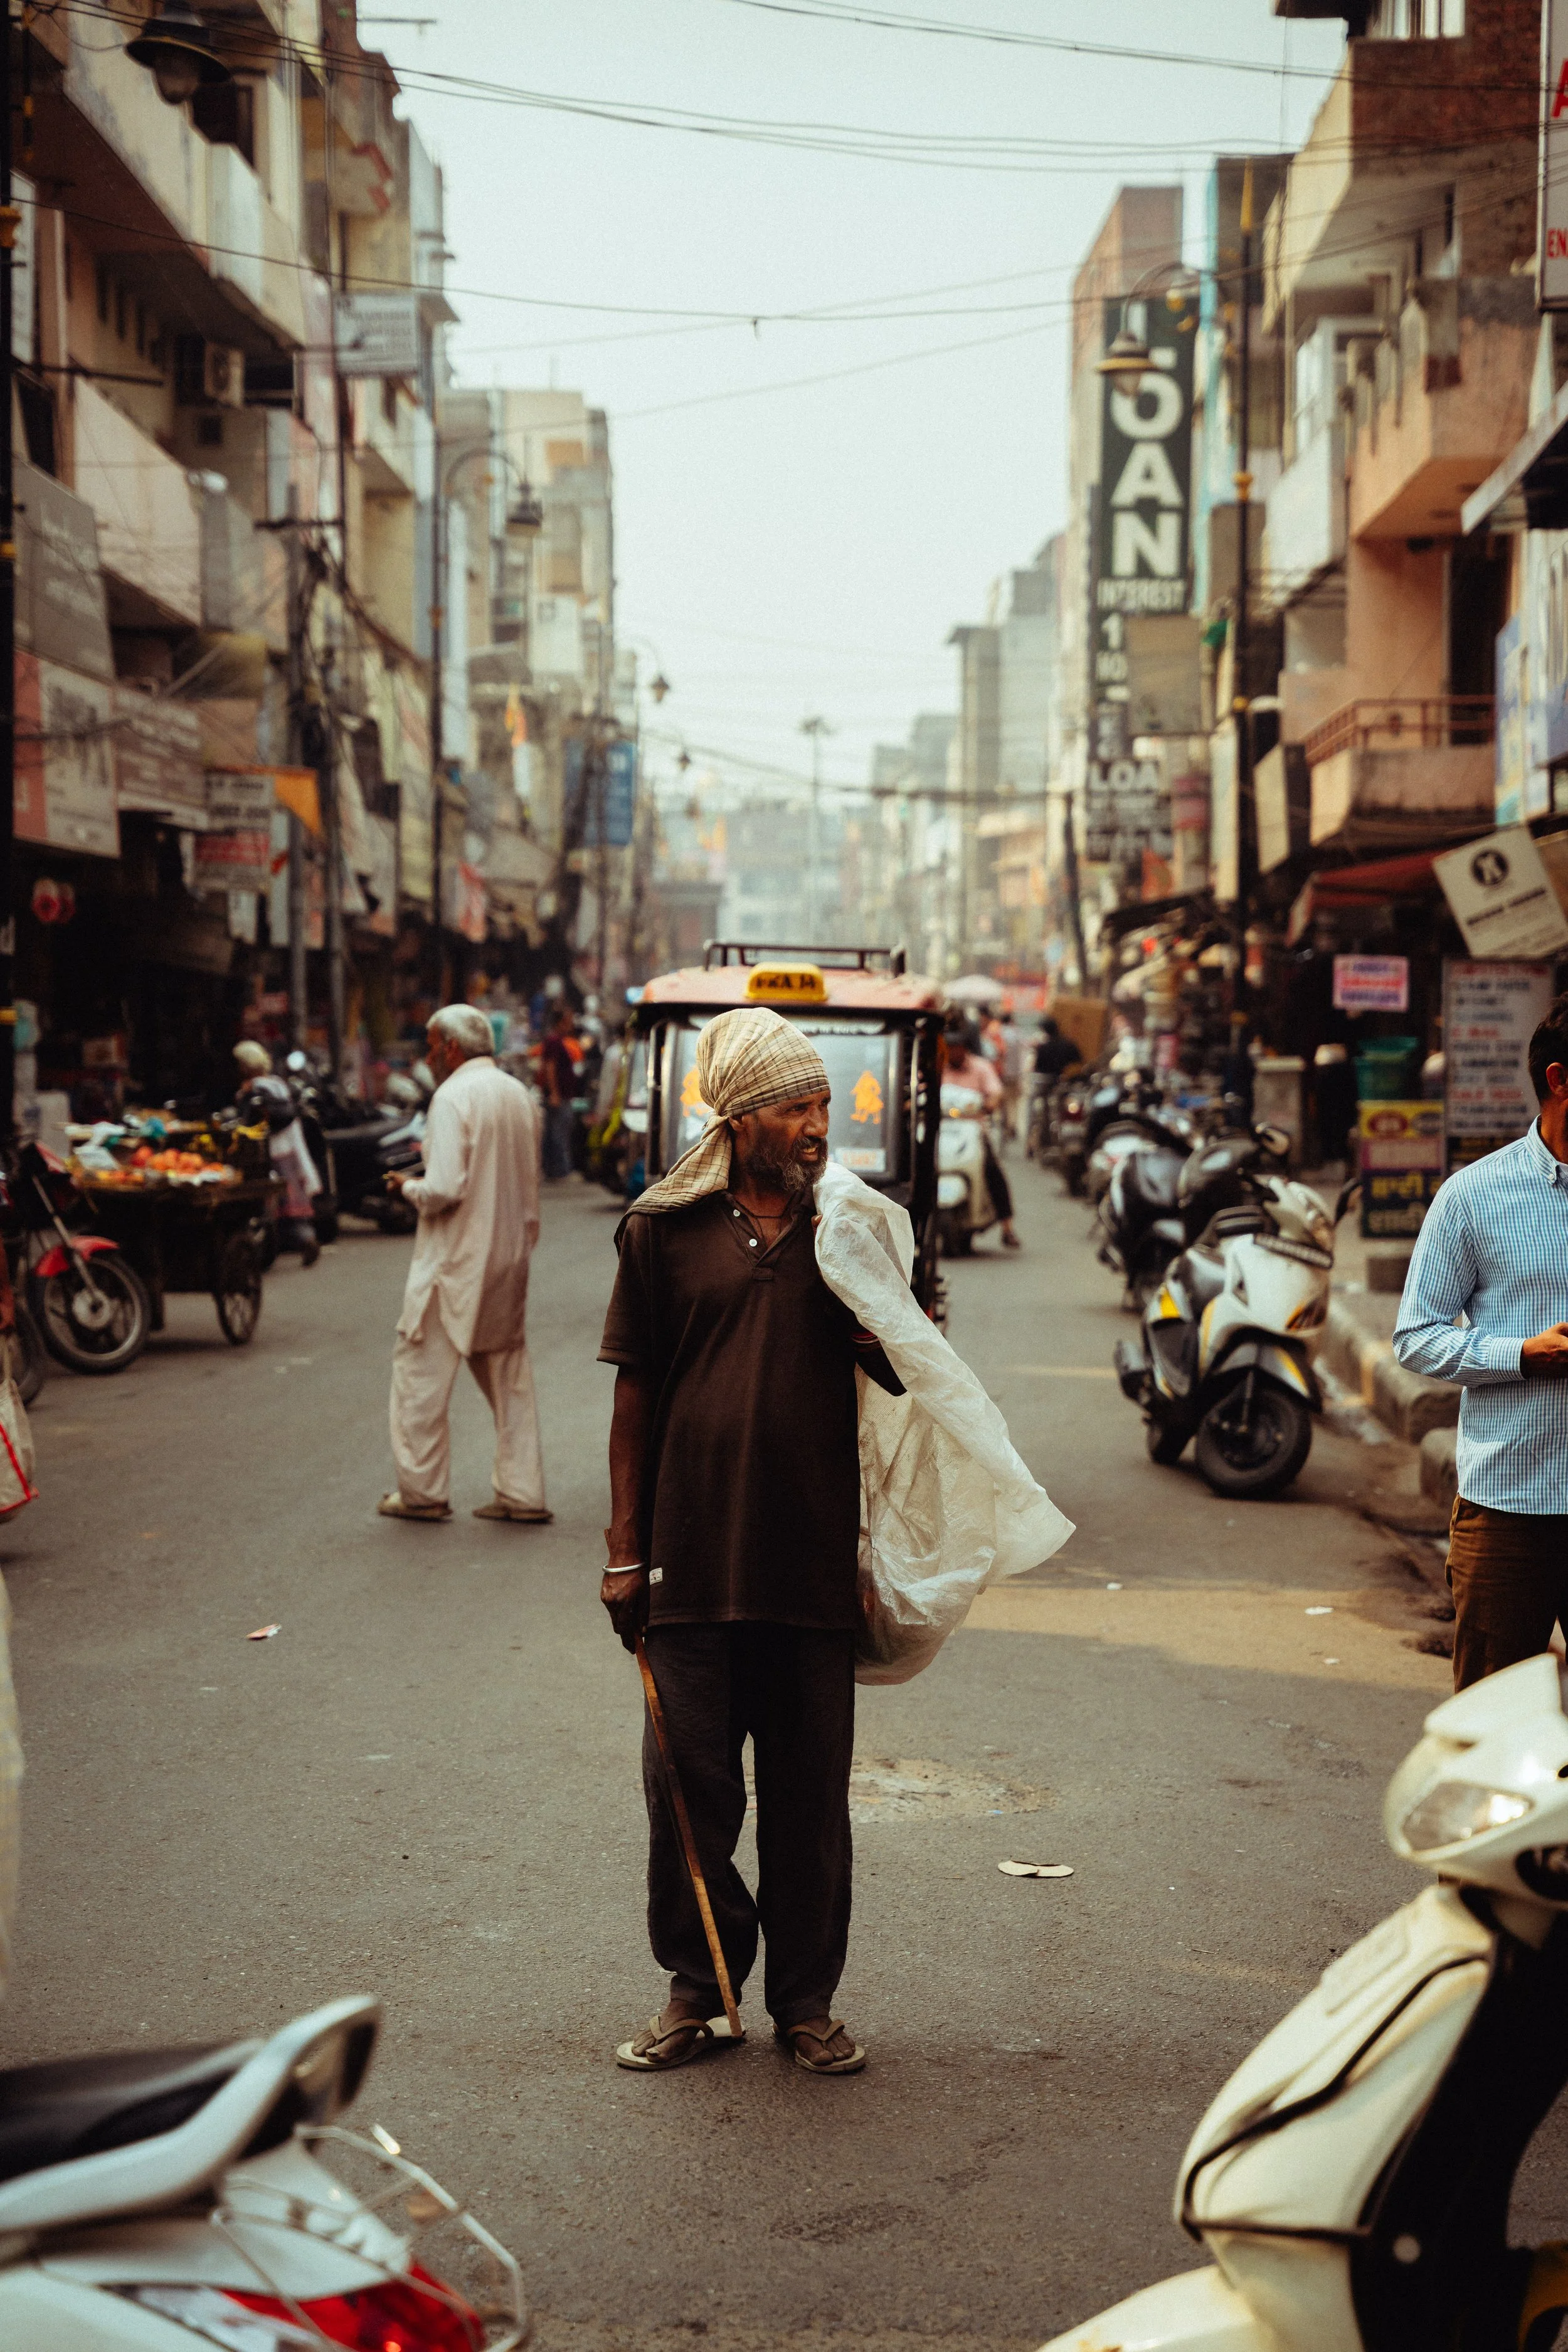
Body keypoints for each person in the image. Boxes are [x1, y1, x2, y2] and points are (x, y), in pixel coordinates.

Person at [598, 1005, 903, 2077]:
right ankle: (700, 1987)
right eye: (796, 1105)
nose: (819, 1122)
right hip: (688, 1559)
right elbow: (636, 1395)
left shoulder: (852, 1228)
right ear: (740, 1117)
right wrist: (625, 1548)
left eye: (823, 1102)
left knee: (812, 1798)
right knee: (688, 1789)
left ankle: (806, 2000)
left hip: (813, 1559)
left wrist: (881, 1324)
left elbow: (912, 1375)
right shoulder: (660, 1231)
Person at [1394, 990, 1568, 1688]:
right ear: (1559, 1080)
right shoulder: (1472, 1197)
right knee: (1495, 1718)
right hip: (1510, 1508)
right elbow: (1415, 1337)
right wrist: (1523, 1355)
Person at [379, 1004, 549, 1527]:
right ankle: (524, 1493)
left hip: (454, 1264)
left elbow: (445, 1187)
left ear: (450, 1048)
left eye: (431, 1045)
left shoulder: (452, 1096)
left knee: (418, 1376)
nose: (427, 1056)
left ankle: (421, 1491)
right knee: (509, 1379)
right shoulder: (516, 1093)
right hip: (509, 1256)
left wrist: (406, 1187)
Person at [233, 1042, 320, 1266]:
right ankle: (307, 1238)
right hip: (290, 1149)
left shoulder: (251, 1088)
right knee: (293, 1204)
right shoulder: (278, 1084)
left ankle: (267, 1246)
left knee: (270, 1203)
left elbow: (246, 1121)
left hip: (268, 1151)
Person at [941, 1017, 1021, 1249]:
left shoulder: (981, 1067)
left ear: (965, 1048)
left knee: (993, 1172)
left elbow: (996, 1093)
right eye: (950, 1047)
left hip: (973, 1130)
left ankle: (1007, 1228)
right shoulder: (936, 1067)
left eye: (957, 1047)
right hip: (940, 1129)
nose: (953, 1052)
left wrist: (990, 1104)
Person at [539, 1004, 578, 1182]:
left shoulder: (558, 1041)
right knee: (558, 1133)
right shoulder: (554, 1041)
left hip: (562, 1094)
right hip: (559, 1095)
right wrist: (554, 1092)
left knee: (557, 1131)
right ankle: (560, 1169)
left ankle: (555, 1169)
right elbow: (550, 1067)